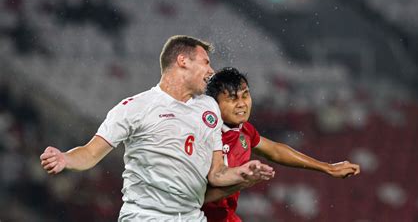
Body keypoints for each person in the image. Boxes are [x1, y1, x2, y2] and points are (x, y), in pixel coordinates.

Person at [40, 35, 274, 221]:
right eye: (205, 62)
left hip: (192, 217)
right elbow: (91, 153)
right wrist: (66, 158)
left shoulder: (209, 108)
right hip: (145, 216)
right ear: (183, 61)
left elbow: (217, 173)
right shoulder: (134, 108)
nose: (212, 71)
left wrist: (242, 173)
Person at [202, 67, 361, 222]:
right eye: (232, 98)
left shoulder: (245, 131)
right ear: (213, 104)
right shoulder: (202, 136)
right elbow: (194, 198)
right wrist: (243, 180)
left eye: (245, 95)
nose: (242, 104)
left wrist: (327, 167)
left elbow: (275, 150)